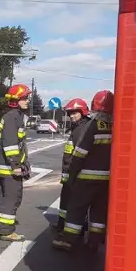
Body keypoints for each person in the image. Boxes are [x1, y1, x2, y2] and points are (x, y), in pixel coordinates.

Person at [52, 90, 114, 251]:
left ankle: (68, 240)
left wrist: (72, 175)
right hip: (107, 179)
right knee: (99, 212)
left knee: (76, 208)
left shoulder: (92, 125)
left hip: (87, 178)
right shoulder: (117, 125)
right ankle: (94, 241)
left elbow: (80, 153)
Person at [0, 83, 32, 242]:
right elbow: (11, 145)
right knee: (12, 198)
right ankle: (5, 231)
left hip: (1, 168)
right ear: (16, 100)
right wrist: (16, 166)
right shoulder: (14, 117)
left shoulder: (9, 116)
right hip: (9, 169)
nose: (27, 100)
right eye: (25, 98)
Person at [54, 98, 90, 232]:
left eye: (75, 113)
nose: (72, 116)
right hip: (70, 173)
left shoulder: (82, 129)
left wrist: (72, 174)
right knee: (65, 200)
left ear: (83, 112)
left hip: (75, 174)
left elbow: (78, 154)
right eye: (70, 114)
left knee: (73, 203)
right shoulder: (78, 128)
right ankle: (62, 224)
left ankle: (69, 230)